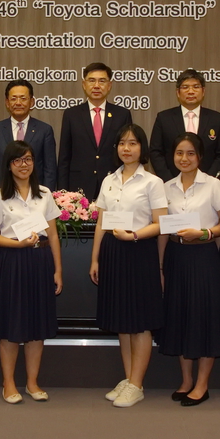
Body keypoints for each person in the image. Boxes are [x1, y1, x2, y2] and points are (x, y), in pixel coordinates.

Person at [90, 124, 167, 408]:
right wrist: (95, 258)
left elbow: (161, 224)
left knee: (140, 322)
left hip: (139, 251)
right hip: (113, 251)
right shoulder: (109, 180)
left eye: (133, 143)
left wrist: (134, 235)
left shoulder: (152, 182)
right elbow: (101, 221)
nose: (127, 148)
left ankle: (137, 384)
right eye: (122, 143)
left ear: (142, 148)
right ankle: (129, 379)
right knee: (123, 321)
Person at [0, 141, 63, 404]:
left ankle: (32, 382)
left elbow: (53, 235)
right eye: (17, 160)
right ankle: (8, 383)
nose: (23, 165)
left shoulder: (44, 194)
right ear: (9, 165)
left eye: (28, 159)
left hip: (40, 261)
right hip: (13, 262)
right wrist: (17, 244)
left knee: (37, 326)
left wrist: (58, 270)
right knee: (11, 325)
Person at [157, 133, 220, 407]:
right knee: (180, 316)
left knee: (203, 317)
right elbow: (162, 229)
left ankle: (202, 384)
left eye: (190, 153)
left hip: (203, 256)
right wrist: (161, 265)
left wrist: (205, 233)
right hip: (175, 256)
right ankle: (186, 380)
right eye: (179, 153)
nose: (184, 158)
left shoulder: (213, 185)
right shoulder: (166, 187)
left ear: (200, 156)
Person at [58, 62, 133, 199]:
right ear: (84, 84)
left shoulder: (122, 115)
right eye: (92, 80)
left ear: (109, 85)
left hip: (114, 185)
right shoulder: (71, 115)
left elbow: (128, 154)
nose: (97, 86)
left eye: (102, 81)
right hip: (79, 187)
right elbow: (64, 157)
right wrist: (63, 194)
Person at [149, 68, 220, 181]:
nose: (191, 91)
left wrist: (208, 181)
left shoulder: (216, 119)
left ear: (203, 91)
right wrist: (170, 181)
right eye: (185, 87)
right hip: (171, 183)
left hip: (207, 184)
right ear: (178, 92)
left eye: (196, 87)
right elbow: (155, 152)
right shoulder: (163, 118)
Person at [0, 78, 57, 190]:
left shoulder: (44, 130)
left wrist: (45, 195)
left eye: (23, 98)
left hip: (35, 193)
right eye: (13, 98)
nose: (18, 103)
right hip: (3, 193)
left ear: (31, 102)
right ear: (7, 102)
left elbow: (50, 169)